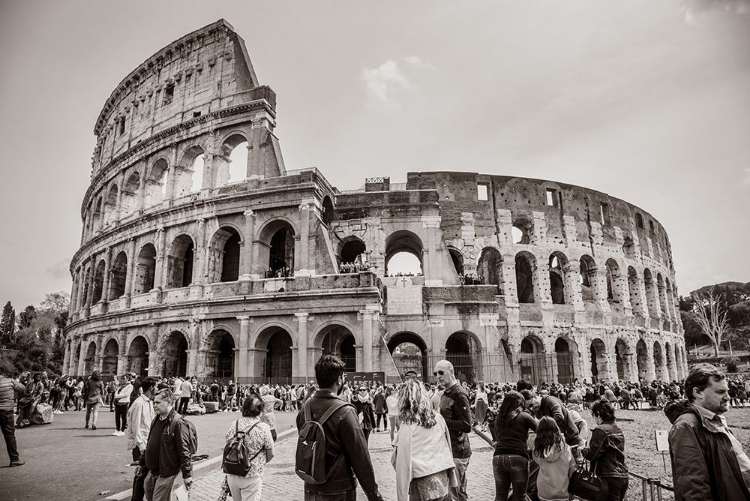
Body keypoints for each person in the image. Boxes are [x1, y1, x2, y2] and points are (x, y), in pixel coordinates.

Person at [295, 355, 383, 501]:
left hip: (311, 487)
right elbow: (360, 457)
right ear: (339, 379)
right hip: (339, 489)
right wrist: (374, 494)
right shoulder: (345, 411)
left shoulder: (305, 409)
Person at [665, 364, 750, 500]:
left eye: (727, 391)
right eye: (720, 392)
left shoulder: (714, 420)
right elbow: (694, 486)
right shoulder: (686, 425)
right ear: (698, 393)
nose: (728, 397)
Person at [391, 378, 456, 501]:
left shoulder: (408, 424)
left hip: (421, 480)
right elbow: (447, 446)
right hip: (441, 476)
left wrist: (402, 497)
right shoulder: (438, 418)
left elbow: (402, 462)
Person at [137, 389, 193, 501]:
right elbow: (150, 444)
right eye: (154, 402)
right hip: (152, 471)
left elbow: (184, 451)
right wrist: (141, 463)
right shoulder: (156, 419)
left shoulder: (178, 423)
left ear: (168, 402)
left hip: (166, 473)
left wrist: (187, 474)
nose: (154, 405)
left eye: (158, 402)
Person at [224, 393, 275, 500]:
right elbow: (271, 453)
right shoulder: (263, 427)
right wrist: (259, 462)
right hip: (252, 474)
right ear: (260, 410)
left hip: (233, 472)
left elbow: (227, 443)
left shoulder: (235, 424)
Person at [434, 360, 472, 501]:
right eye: (435, 373)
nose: (437, 376)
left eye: (441, 372)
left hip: (457, 450)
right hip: (450, 449)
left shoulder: (459, 394)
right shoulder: (446, 392)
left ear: (451, 371)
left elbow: (467, 425)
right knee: (459, 493)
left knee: (453, 495)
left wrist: (441, 420)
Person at [493, 390, 538, 501]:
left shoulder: (499, 418)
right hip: (518, 456)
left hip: (498, 457)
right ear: (519, 403)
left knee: (500, 496)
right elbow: (541, 430)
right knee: (519, 496)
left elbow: (497, 436)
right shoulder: (524, 416)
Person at [583, 399, 629, 501]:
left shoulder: (601, 430)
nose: (594, 419)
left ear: (598, 414)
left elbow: (591, 455)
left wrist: (583, 449)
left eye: (594, 416)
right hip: (622, 475)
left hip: (608, 477)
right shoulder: (617, 429)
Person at [523, 389, 581, 462]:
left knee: (574, 467)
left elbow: (559, 416)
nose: (531, 409)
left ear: (534, 396)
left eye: (531, 405)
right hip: (558, 441)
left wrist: (544, 426)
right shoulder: (537, 409)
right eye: (528, 407)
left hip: (570, 437)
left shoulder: (550, 400)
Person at [532, 416, 576, 501]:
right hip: (563, 491)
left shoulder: (538, 449)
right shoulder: (565, 448)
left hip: (544, 491)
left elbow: (536, 461)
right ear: (556, 428)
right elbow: (572, 468)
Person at [127, 377, 156, 501]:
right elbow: (135, 427)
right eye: (156, 387)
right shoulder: (139, 403)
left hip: (147, 443)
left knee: (145, 475)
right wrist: (141, 446)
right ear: (151, 388)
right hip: (141, 445)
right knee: (140, 475)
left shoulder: (148, 402)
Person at [0, 370, 27, 466]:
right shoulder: (10, 381)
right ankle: (14, 459)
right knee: (9, 435)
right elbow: (23, 388)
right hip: (7, 411)